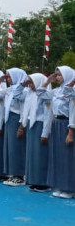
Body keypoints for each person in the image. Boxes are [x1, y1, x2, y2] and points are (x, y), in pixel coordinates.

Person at [41, 66, 75, 198]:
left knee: (67, 157)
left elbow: (73, 112)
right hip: (56, 124)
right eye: (56, 75)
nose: (57, 77)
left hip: (66, 124)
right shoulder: (56, 91)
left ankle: (70, 188)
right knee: (58, 156)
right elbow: (41, 94)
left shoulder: (72, 92)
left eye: (59, 75)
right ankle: (60, 185)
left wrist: (71, 132)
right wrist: (48, 81)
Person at [0, 67, 28, 187]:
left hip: (17, 119)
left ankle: (19, 175)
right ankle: (12, 173)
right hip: (9, 119)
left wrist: (21, 125)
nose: (7, 79)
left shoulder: (24, 91)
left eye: (9, 76)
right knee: (9, 147)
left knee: (17, 147)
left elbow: (24, 109)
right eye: (7, 77)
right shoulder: (9, 90)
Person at [18, 73, 50, 192]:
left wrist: (44, 133)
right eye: (29, 82)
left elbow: (48, 114)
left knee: (40, 155)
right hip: (31, 124)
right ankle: (33, 180)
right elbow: (17, 94)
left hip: (40, 124)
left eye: (32, 82)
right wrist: (23, 84)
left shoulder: (45, 95)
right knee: (32, 154)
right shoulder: (30, 93)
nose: (30, 85)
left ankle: (43, 182)